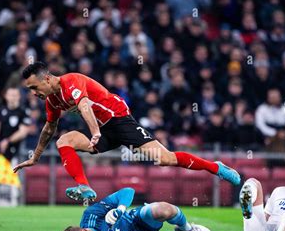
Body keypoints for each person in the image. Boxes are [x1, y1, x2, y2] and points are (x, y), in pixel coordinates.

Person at [13, 62, 240, 202]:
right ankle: (84, 186)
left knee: (165, 159)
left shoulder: (72, 80)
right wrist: (36, 156)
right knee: (65, 140)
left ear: (48, 79)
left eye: (34, 87)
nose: (33, 93)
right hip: (102, 129)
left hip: (119, 119)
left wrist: (94, 133)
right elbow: (48, 128)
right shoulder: (51, 101)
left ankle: (216, 167)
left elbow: (84, 105)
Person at [61, 187, 223, 231]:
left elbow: (128, 191)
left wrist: (120, 209)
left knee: (164, 209)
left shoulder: (92, 215)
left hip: (136, 220)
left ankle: (187, 228)